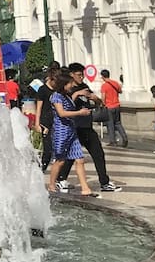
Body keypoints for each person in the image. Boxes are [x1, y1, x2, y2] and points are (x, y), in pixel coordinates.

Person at [56, 64, 120, 193]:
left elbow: (99, 102)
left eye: (82, 75)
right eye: (79, 75)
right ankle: (60, 179)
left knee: (98, 153)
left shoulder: (84, 87)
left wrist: (95, 99)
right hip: (74, 128)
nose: (81, 77)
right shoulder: (66, 90)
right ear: (71, 75)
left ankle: (104, 182)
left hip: (86, 126)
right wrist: (77, 94)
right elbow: (65, 106)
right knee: (70, 156)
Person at [47, 69, 98, 197]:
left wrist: (79, 96)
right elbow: (62, 113)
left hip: (71, 130)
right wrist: (79, 113)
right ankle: (52, 185)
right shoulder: (56, 96)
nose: (72, 85)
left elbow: (70, 104)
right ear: (64, 85)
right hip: (61, 132)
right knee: (60, 161)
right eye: (70, 83)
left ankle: (85, 188)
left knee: (80, 159)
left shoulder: (66, 96)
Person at [34, 65, 59, 171]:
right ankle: (41, 170)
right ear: (51, 79)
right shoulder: (43, 90)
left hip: (57, 121)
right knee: (47, 149)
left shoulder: (58, 89)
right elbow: (38, 108)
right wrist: (37, 123)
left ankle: (59, 177)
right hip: (45, 122)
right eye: (56, 82)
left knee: (59, 149)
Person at [99, 70, 129, 148]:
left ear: (102, 76)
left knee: (110, 124)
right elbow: (120, 91)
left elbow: (103, 97)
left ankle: (113, 141)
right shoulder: (115, 83)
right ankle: (124, 137)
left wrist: (102, 105)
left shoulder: (104, 86)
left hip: (109, 106)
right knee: (118, 123)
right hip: (117, 105)